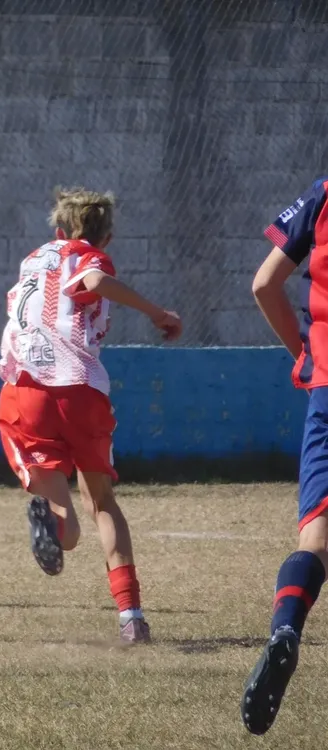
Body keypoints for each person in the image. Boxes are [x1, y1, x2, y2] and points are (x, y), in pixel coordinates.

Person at [0, 187, 182, 645]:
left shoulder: (34, 260)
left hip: (28, 391)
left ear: (58, 229)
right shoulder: (87, 256)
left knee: (69, 529)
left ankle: (52, 523)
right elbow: (92, 283)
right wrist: (157, 313)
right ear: (108, 237)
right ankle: (131, 618)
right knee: (103, 502)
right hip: (81, 390)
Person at [240, 176, 328, 734]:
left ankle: (285, 631)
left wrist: (305, 353)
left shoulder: (324, 194)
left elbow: (264, 283)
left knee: (315, 538)